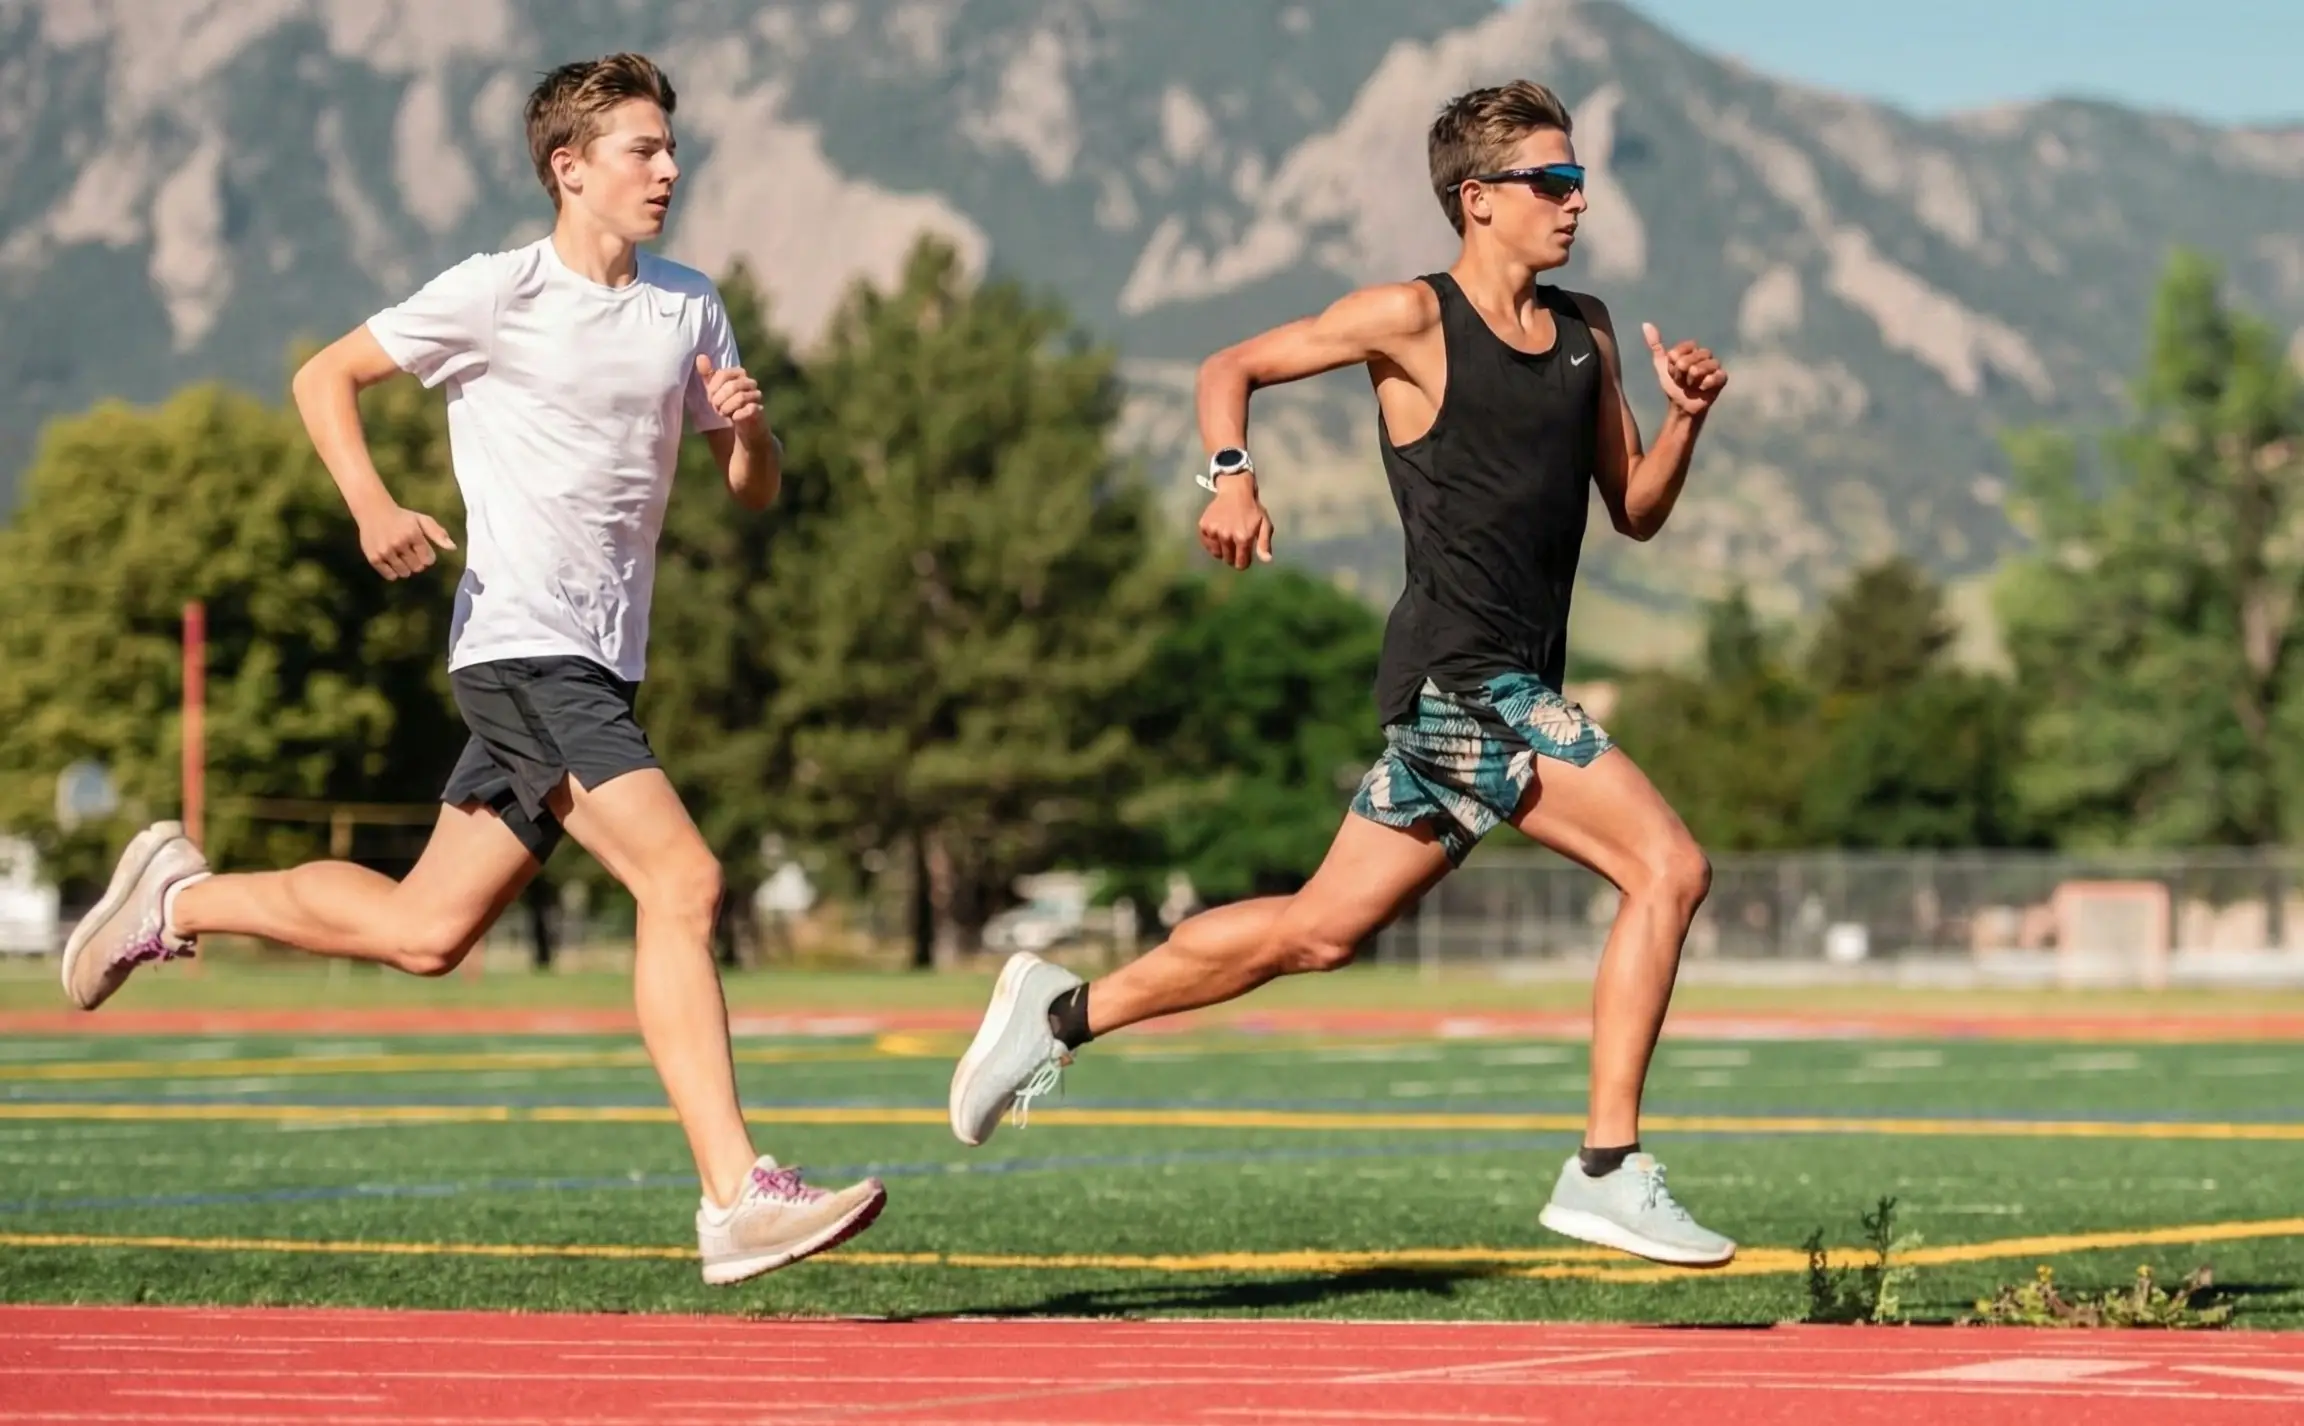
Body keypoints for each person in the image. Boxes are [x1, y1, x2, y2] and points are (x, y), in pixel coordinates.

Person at [58, 52, 886, 1285]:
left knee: (424, 930)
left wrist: (754, 426)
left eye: (670, 148)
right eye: (641, 151)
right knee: (684, 878)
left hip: (600, 666)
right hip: (520, 646)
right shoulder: (496, 293)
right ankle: (734, 1192)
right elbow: (322, 374)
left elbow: (752, 491)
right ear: (571, 168)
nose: (669, 168)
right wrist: (371, 503)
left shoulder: (688, 306)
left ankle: (177, 901)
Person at [948, 80, 1735, 1267]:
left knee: (1318, 932)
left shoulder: (1588, 331)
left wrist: (1682, 422)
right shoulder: (1409, 319)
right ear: (1476, 201)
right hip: (1460, 680)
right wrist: (1231, 475)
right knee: (1668, 865)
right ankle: (1607, 1168)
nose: (1575, 203)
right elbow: (1230, 364)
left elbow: (1632, 512)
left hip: (1507, 678)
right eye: (1551, 182)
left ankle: (1056, 1016)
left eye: (1579, 182)